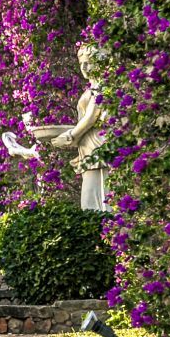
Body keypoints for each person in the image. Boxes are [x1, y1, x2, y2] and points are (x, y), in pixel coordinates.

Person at [51, 44, 110, 212]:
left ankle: (106, 234)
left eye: (88, 63)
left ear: (99, 63)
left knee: (95, 201)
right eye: (81, 63)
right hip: (88, 148)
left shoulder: (100, 88)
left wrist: (70, 135)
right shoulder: (92, 88)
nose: (83, 67)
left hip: (98, 147)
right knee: (91, 201)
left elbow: (91, 117)